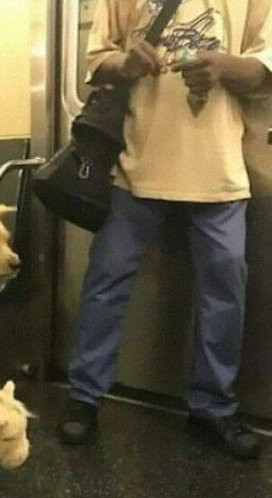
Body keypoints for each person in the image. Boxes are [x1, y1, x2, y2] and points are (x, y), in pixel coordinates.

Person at [59, 0, 272, 459]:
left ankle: (213, 405)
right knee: (106, 280)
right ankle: (85, 395)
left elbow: (264, 66)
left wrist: (223, 67)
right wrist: (126, 62)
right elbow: (98, 59)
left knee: (226, 289)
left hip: (219, 166)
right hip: (136, 163)